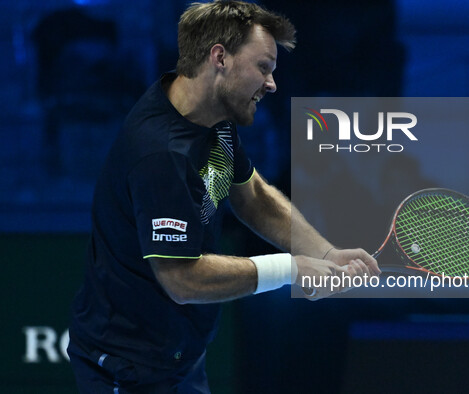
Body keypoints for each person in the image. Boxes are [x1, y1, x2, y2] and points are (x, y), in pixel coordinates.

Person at [67, 1, 379, 392]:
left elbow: (253, 196)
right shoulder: (161, 154)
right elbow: (182, 280)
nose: (271, 84)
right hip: (127, 369)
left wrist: (324, 253)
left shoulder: (213, 114)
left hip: (180, 358)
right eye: (263, 67)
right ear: (220, 58)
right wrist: (291, 269)